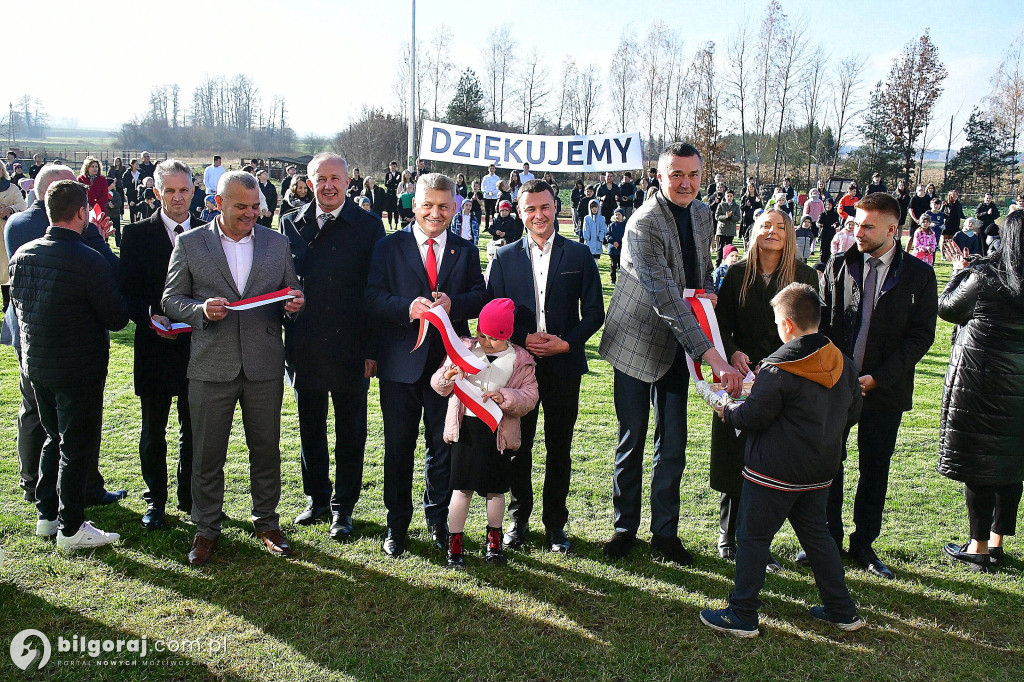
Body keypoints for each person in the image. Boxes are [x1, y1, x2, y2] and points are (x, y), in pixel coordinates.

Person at [599, 143, 743, 564]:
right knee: (633, 439)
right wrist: (711, 353)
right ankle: (624, 529)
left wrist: (709, 293)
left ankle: (665, 533)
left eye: (693, 174)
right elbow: (663, 295)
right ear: (658, 176)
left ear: (703, 176)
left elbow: (699, 268)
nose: (686, 183)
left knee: (674, 443)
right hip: (636, 341)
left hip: (679, 346)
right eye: (676, 174)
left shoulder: (701, 211)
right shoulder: (642, 224)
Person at [699, 283, 865, 638]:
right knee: (817, 537)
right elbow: (852, 413)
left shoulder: (779, 369)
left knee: (752, 538)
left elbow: (753, 418)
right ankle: (842, 610)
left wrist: (725, 408)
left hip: (772, 472)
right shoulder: (845, 364)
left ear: (786, 325)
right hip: (820, 470)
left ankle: (742, 613)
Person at [162, 170, 305, 566]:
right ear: (217, 202)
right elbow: (171, 300)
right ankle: (206, 528)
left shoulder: (276, 243)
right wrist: (200, 311)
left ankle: (267, 522)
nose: (250, 214)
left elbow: (291, 290)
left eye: (255, 206)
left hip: (264, 365)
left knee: (266, 450)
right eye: (241, 206)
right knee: (208, 454)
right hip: (211, 366)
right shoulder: (190, 243)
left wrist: (295, 304)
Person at [365, 172, 487, 558]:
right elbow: (370, 297)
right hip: (400, 366)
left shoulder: (465, 250)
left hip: (448, 369)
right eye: (428, 204)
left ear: (455, 208)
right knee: (398, 447)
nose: (435, 212)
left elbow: (479, 295)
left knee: (443, 445)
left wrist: (455, 303)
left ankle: (437, 519)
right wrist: (406, 308)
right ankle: (396, 524)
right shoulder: (388, 246)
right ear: (413, 204)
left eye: (443, 206)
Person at [819, 192, 938, 579]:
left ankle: (864, 543)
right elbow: (821, 327)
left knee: (875, 467)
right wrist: (837, 372)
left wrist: (880, 377)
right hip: (836, 386)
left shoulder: (919, 275)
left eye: (868, 225)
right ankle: (827, 540)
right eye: (855, 223)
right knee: (830, 464)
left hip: (886, 391)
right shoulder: (837, 266)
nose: (858, 231)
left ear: (893, 229)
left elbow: (921, 337)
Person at [9, 179, 130, 549]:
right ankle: (72, 526)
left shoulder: (22, 255)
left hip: (37, 364)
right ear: (82, 213)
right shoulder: (88, 260)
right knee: (75, 446)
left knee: (53, 438)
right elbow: (116, 318)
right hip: (77, 368)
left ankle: (47, 516)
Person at [487, 179, 604, 553]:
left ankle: (555, 524)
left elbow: (595, 313)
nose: (539, 214)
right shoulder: (503, 259)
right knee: (518, 446)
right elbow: (492, 314)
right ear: (519, 213)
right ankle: (518, 521)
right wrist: (522, 338)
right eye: (530, 209)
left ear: (557, 207)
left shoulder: (580, 255)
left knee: (559, 447)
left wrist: (567, 342)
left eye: (545, 207)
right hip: (519, 369)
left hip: (564, 368)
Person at [280, 153, 385, 540]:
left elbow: (376, 294)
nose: (328, 185)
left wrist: (372, 349)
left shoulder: (369, 226)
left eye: (335, 178)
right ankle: (318, 498)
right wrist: (287, 305)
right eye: (320, 178)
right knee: (311, 426)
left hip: (352, 347)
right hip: (305, 342)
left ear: (348, 182)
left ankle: (344, 506)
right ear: (308, 181)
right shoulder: (290, 222)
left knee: (350, 430)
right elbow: (282, 280)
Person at [711, 209, 820, 564]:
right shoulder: (737, 273)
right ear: (753, 231)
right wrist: (733, 353)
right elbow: (721, 324)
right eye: (765, 225)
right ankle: (728, 535)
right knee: (734, 457)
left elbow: (810, 331)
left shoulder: (804, 277)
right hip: (738, 378)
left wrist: (776, 364)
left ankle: (759, 540)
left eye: (780, 227)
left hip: (784, 378)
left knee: (770, 463)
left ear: (790, 234)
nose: (772, 231)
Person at [937, 210, 1024, 570]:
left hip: (983, 386)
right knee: (1012, 463)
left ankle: (979, 546)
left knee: (981, 466)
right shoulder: (991, 275)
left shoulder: (986, 277)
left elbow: (947, 309)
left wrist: (959, 271)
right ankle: (998, 541)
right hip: (1019, 387)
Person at [118, 160, 199, 531]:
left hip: (197, 348)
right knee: (154, 429)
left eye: (183, 190)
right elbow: (127, 293)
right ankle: (156, 501)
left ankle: (190, 497)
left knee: (194, 428)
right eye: (170, 190)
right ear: (156, 193)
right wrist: (150, 316)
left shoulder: (208, 232)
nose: (177, 197)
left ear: (193, 191)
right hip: (153, 348)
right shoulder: (135, 235)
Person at [431, 298, 540, 568]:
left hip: (498, 434)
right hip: (466, 430)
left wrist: (505, 396)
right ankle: (454, 543)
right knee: (461, 488)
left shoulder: (521, 360)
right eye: (481, 334)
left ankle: (494, 541)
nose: (485, 341)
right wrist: (448, 374)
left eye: (493, 337)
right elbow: (437, 385)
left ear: (507, 335)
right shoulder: (465, 349)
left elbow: (530, 397)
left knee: (496, 490)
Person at [0, 163, 28, 310]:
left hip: (5, 231)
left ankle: (7, 302)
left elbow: (22, 205)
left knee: (5, 267)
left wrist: (8, 210)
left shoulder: (11, 188)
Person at [715, 189, 740, 265]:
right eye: (728, 196)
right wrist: (726, 216)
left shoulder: (736, 206)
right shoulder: (721, 205)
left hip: (730, 231)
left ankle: (729, 263)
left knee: (729, 248)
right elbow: (717, 216)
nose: (729, 198)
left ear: (733, 197)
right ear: (725, 196)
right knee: (720, 248)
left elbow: (738, 218)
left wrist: (731, 216)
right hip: (721, 230)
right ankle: (718, 264)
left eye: (731, 196)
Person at [941, 189, 966, 254]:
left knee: (952, 240)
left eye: (956, 194)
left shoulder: (959, 204)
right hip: (947, 223)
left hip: (955, 224)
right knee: (945, 240)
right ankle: (943, 255)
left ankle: (950, 254)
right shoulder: (945, 203)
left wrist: (966, 218)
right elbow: (941, 213)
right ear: (950, 195)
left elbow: (961, 214)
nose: (955, 196)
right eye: (954, 194)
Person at [607, 208, 627, 285]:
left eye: (619, 214)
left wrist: (620, 243)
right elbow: (608, 235)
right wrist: (613, 242)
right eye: (616, 214)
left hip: (622, 249)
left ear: (623, 216)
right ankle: (613, 280)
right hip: (613, 249)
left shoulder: (625, 225)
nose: (617, 216)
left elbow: (626, 236)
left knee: (621, 266)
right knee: (613, 265)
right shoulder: (611, 225)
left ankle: (621, 281)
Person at [481, 164, 500, 232]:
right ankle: (486, 227)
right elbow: (482, 187)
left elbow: (498, 187)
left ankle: (494, 226)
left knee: (494, 212)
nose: (491, 170)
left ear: (495, 169)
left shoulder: (497, 178)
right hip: (487, 197)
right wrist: (488, 192)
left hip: (494, 197)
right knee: (487, 212)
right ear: (488, 169)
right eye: (490, 168)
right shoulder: (486, 177)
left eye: (493, 168)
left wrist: (493, 192)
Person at [384, 161, 402, 229]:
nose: (393, 168)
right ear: (389, 167)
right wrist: (390, 180)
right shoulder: (387, 174)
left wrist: (396, 180)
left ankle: (396, 224)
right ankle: (390, 224)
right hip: (389, 195)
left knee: (396, 210)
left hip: (396, 194)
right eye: (392, 166)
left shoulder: (398, 174)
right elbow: (386, 184)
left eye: (394, 166)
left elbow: (399, 183)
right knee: (389, 211)